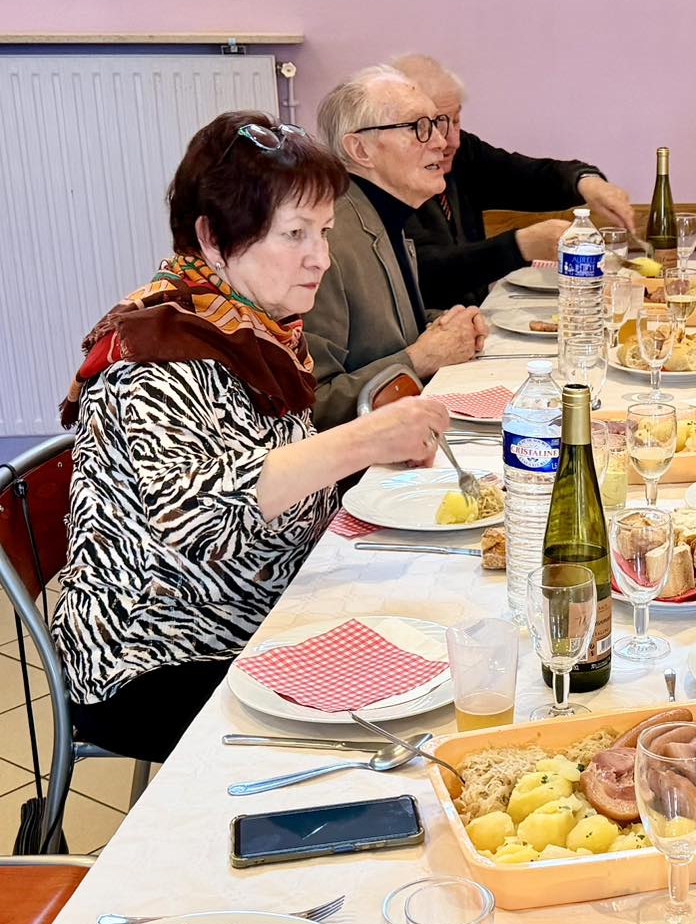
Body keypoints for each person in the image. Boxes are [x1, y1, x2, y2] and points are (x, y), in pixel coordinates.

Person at [53, 112, 453, 762]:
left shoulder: (254, 328)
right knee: (403, 730)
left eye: (324, 231)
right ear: (213, 239)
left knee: (444, 631)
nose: (321, 258)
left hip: (267, 604)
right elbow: (204, 520)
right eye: (295, 234)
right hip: (157, 656)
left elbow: (284, 480)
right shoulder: (157, 354)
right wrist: (365, 441)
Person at [305, 65, 489, 429]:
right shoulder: (326, 243)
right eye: (418, 127)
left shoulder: (382, 215)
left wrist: (448, 324)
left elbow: (382, 339)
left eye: (436, 123)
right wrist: (418, 359)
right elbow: (314, 405)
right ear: (360, 149)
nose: (440, 141)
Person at [390, 53, 635, 308]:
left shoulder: (464, 155)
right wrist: (520, 245)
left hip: (472, 318)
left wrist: (585, 182)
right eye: (437, 124)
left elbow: (531, 178)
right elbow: (424, 272)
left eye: (456, 120)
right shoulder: (388, 182)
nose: (452, 140)